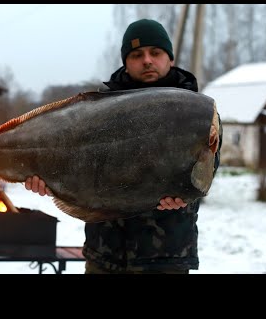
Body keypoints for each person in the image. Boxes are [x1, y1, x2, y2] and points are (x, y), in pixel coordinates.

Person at [25, 18, 222, 274]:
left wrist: (187, 196)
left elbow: (207, 169)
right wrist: (49, 180)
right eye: (137, 54)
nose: (147, 60)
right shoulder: (97, 107)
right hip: (104, 256)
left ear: (169, 58)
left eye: (156, 52)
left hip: (166, 258)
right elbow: (78, 165)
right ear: (126, 62)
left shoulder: (202, 111)